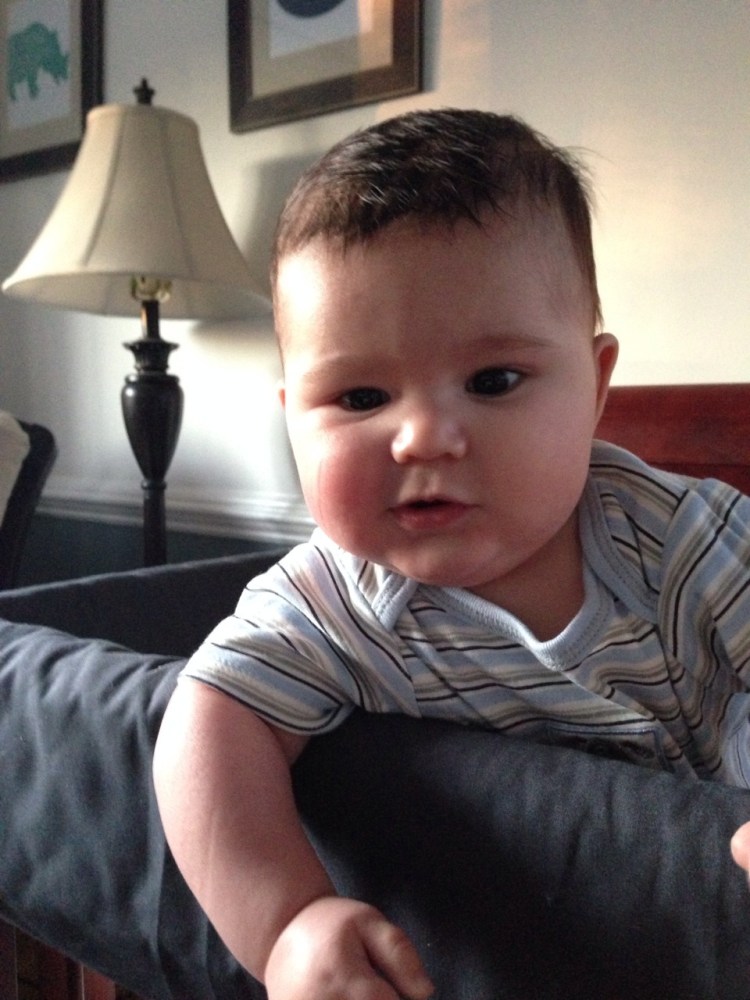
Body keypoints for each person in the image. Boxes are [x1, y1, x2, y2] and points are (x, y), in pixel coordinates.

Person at [153, 109, 750, 1000]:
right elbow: (208, 723)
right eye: (361, 397)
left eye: (493, 381)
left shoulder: (672, 536)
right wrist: (286, 925)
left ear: (595, 387)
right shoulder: (335, 599)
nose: (424, 436)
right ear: (290, 417)